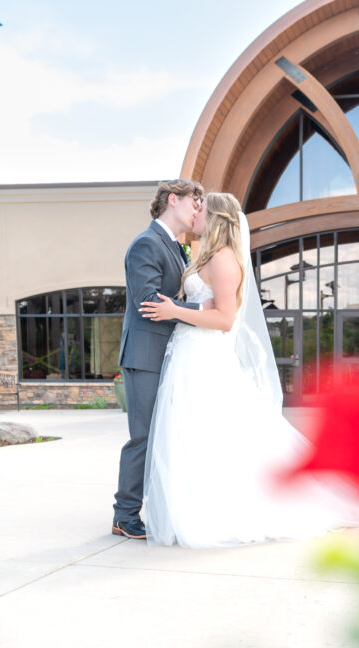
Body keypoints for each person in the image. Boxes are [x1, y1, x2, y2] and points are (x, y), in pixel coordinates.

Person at [138, 192, 359, 547]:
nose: (195, 214)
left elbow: (224, 319)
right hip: (188, 354)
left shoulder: (223, 259)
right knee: (191, 434)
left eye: (201, 209)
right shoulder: (205, 255)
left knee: (214, 435)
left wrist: (176, 312)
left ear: (216, 218)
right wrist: (186, 308)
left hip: (206, 356)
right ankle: (197, 505)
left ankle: (223, 511)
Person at [112, 178, 210, 540]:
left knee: (165, 435)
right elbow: (149, 302)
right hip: (146, 355)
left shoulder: (175, 247)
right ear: (173, 200)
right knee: (144, 436)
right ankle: (124, 514)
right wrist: (200, 309)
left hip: (170, 354)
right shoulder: (146, 244)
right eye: (194, 203)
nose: (198, 210)